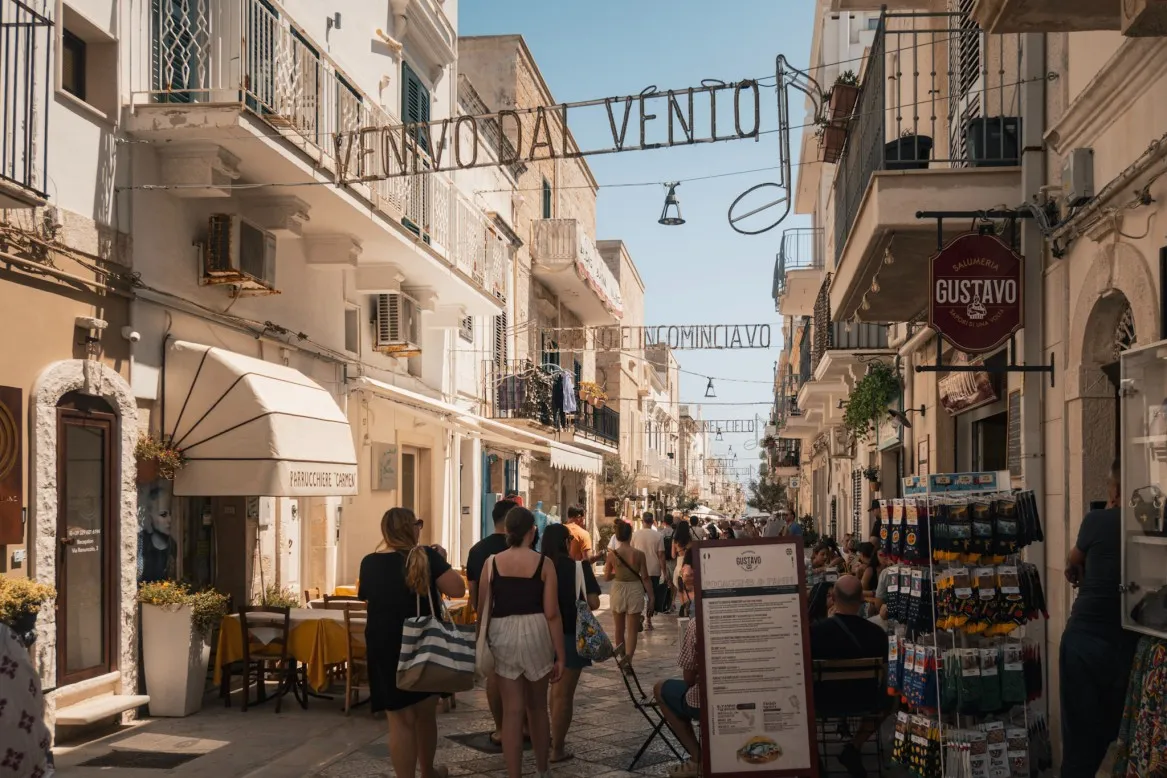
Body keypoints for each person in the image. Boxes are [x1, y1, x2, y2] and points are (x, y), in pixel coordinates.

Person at [360, 507, 466, 778]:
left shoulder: (369, 562)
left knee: (398, 721)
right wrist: (441, 560)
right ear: (412, 528)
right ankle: (428, 771)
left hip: (384, 644)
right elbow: (458, 589)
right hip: (422, 643)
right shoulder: (427, 557)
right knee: (425, 715)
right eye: (417, 523)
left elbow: (371, 599)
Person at [1061, 460, 1137, 778]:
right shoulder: (1151, 524)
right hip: (1128, 645)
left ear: (1116, 490)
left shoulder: (1097, 520)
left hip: (1083, 643)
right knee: (1118, 734)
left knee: (1080, 744)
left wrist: (1079, 573)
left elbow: (1072, 561)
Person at [479, 506, 565, 778]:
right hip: (536, 629)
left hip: (503, 631)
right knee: (538, 707)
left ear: (507, 531)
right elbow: (552, 612)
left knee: (512, 710)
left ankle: (514, 774)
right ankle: (542, 770)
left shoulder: (491, 563)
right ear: (532, 531)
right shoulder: (544, 564)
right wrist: (560, 655)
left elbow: (483, 607)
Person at [811, 575, 889, 778]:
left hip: (823, 702)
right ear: (862, 600)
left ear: (833, 598)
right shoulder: (877, 634)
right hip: (866, 700)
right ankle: (854, 746)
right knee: (891, 699)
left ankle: (813, 757)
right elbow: (886, 674)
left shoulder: (815, 633)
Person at [540, 523, 601, 763]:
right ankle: (557, 748)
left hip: (540, 636)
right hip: (570, 636)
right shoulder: (578, 568)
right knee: (563, 696)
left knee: (540, 696)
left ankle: (541, 741)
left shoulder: (538, 566)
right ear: (567, 543)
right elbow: (595, 603)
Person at [465, 498, 518, 745]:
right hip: (520, 619)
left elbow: (473, 593)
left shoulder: (477, 550)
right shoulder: (523, 550)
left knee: (494, 677)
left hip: (490, 620)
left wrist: (480, 620)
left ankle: (500, 728)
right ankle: (523, 725)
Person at [652, 560, 703, 778]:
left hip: (707, 701)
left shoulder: (697, 623)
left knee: (660, 689)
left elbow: (690, 679)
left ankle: (697, 757)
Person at [605, 519, 654, 664]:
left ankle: (622, 658)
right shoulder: (639, 554)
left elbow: (607, 577)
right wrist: (651, 597)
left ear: (617, 536)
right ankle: (629, 659)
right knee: (632, 630)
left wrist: (618, 573)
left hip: (618, 589)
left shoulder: (612, 554)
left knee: (619, 629)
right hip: (635, 589)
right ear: (630, 535)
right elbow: (645, 577)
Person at [631, 512, 666, 629]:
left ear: (642, 522)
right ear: (652, 522)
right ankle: (649, 621)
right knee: (651, 596)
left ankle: (639, 617)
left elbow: (631, 552)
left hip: (638, 570)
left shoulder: (634, 535)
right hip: (654, 569)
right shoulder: (658, 536)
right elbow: (661, 555)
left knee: (639, 595)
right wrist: (665, 572)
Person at [659, 514, 677, 614]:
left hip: (664, 560)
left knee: (666, 581)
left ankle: (665, 603)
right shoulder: (675, 533)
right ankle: (673, 602)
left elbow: (660, 550)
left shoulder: (661, 533)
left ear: (664, 522)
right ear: (672, 522)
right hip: (674, 560)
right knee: (674, 582)